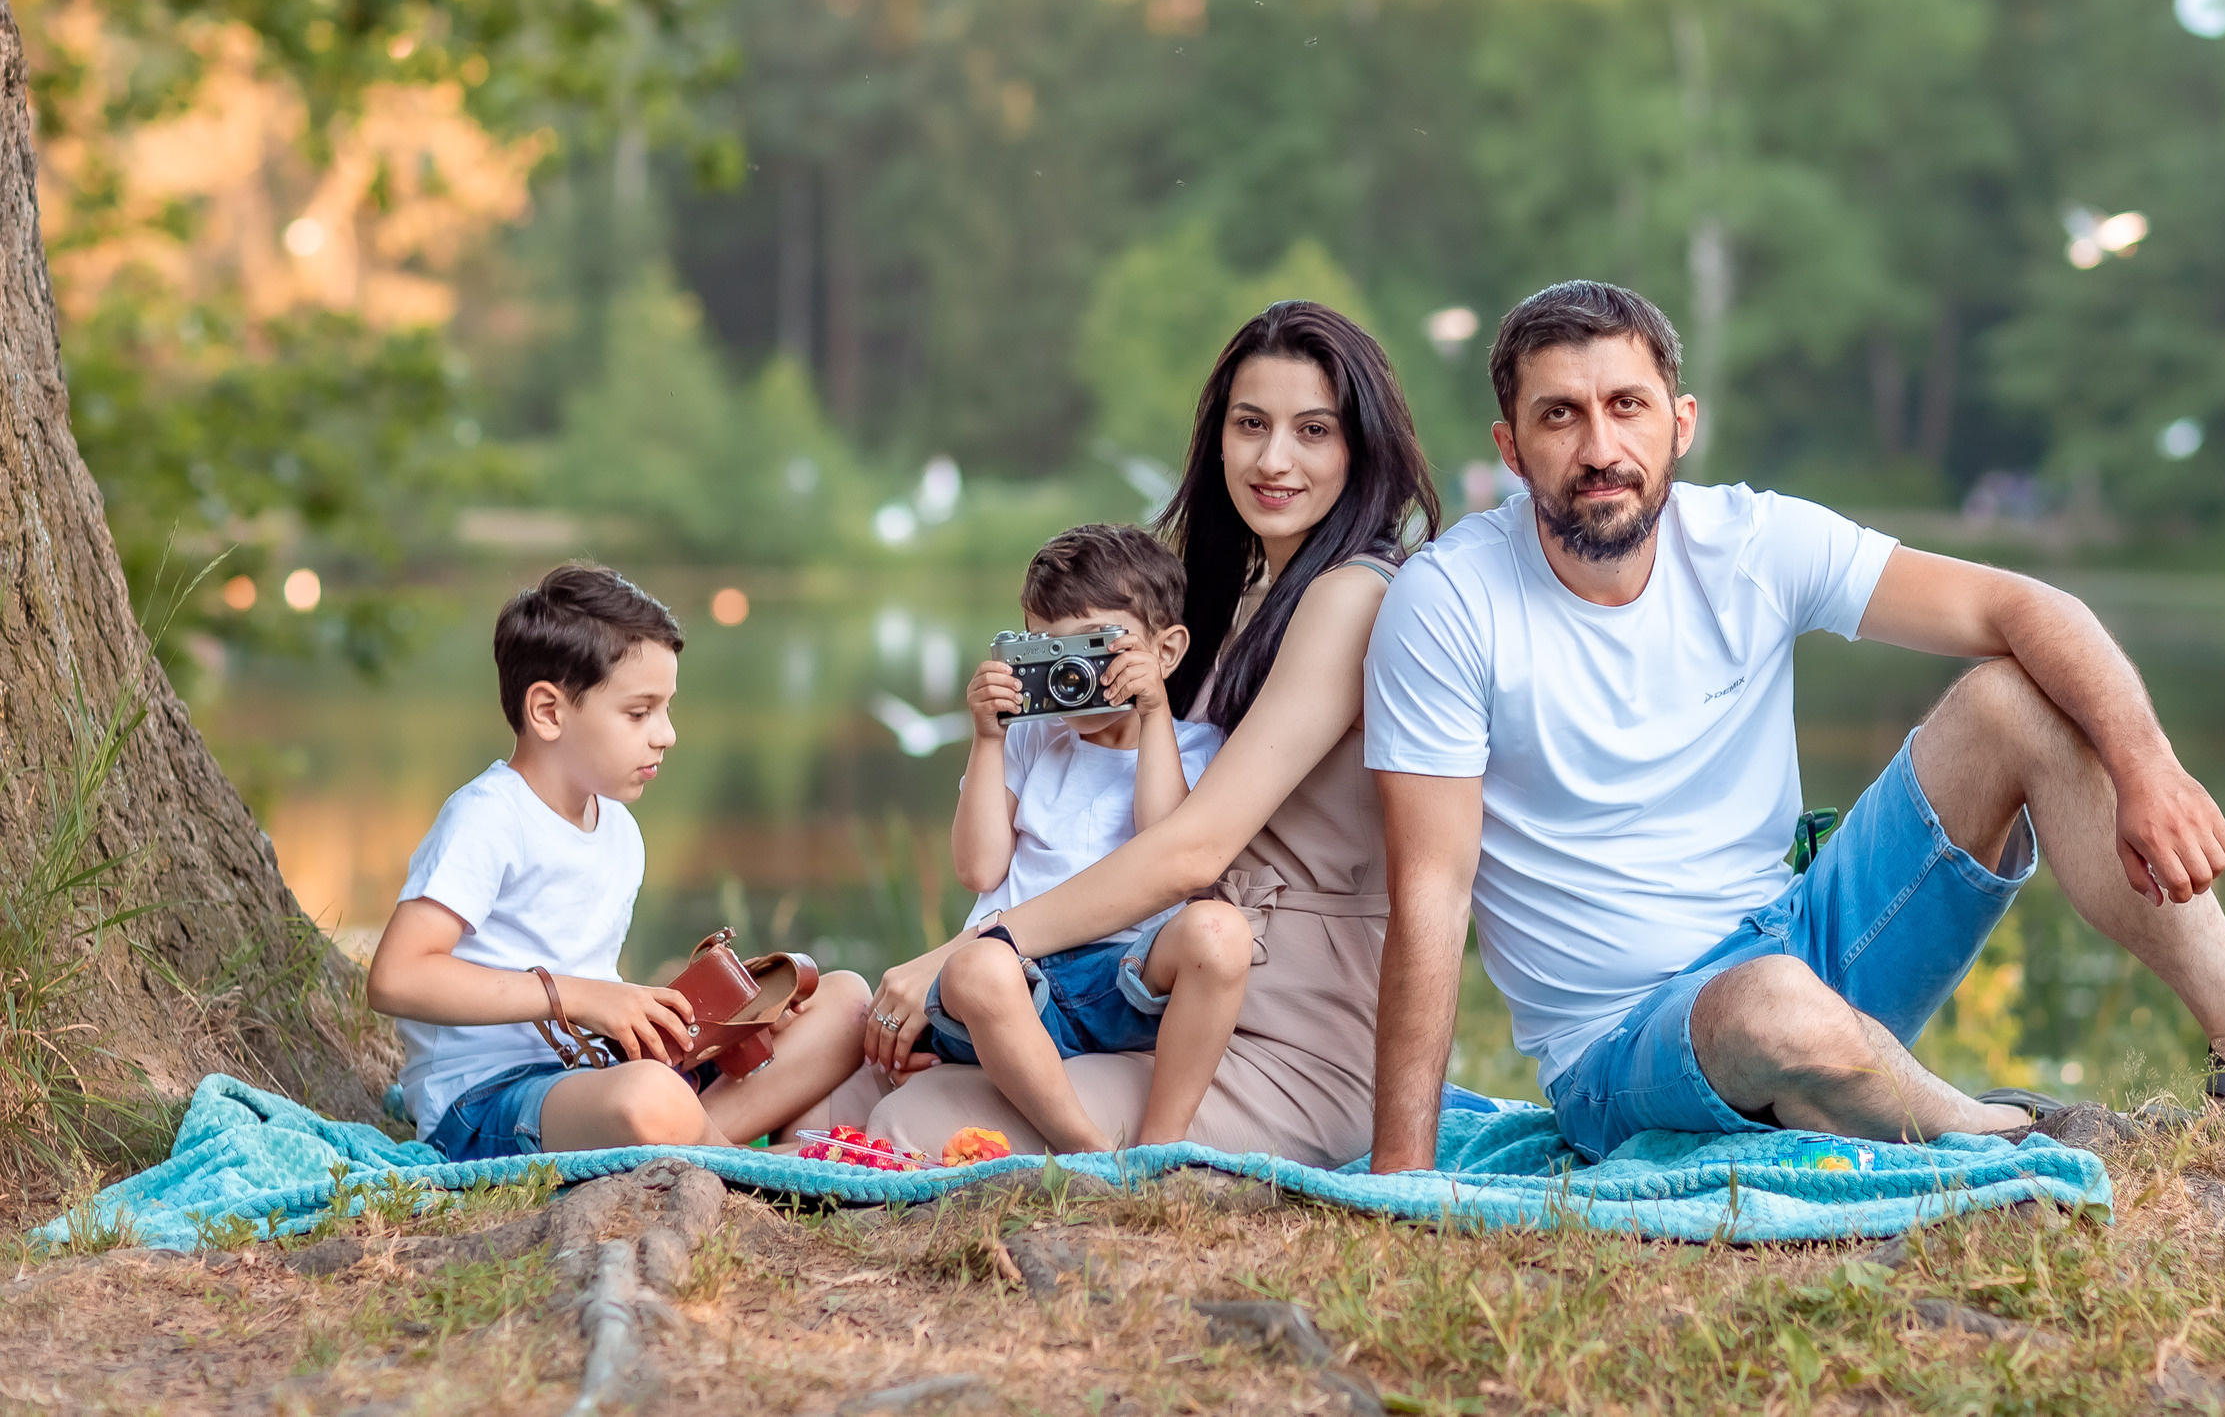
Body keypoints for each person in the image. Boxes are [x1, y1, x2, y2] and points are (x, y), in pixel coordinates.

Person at [1363, 280, 2225, 1172]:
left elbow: (2025, 605)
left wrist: (2147, 765)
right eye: (1561, 415)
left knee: (2014, 697)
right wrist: (1403, 1174)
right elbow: (1430, 896)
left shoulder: (1749, 543)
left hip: (1810, 939)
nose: (1601, 445)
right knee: (1774, 1008)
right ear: (1512, 448)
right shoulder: (1451, 604)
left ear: (1679, 423)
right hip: (1625, 1052)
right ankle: (2013, 1136)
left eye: (1626, 406)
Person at [831, 301, 1440, 1164]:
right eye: (1250, 424)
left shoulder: (1353, 594)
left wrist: (969, 948)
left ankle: (1148, 1177)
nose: (1273, 459)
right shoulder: (1242, 597)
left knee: (913, 1121)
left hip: (1285, 1036)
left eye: (1313, 430)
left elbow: (1193, 850)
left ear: (1361, 446)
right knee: (869, 1078)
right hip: (1153, 996)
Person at [368, 562, 870, 1159]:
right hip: (489, 1101)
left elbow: (595, 988)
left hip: (599, 1072)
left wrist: (681, 1016)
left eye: (667, 709)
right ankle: (743, 1163)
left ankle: (694, 1138)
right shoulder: (488, 818)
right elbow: (397, 977)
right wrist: (580, 998)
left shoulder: (620, 829)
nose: (666, 735)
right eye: (639, 713)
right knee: (648, 1098)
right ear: (549, 712)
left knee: (844, 1001)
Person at [924, 524, 1241, 1151]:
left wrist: (1153, 713)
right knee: (978, 966)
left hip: (1123, 982)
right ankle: (1087, 1152)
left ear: (1166, 652)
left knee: (1221, 930)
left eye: (1094, 646)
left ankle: (1162, 1148)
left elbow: (1166, 851)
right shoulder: (1029, 739)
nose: (1071, 672)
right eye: (1047, 650)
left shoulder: (1200, 747)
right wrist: (988, 739)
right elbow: (978, 870)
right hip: (1014, 983)